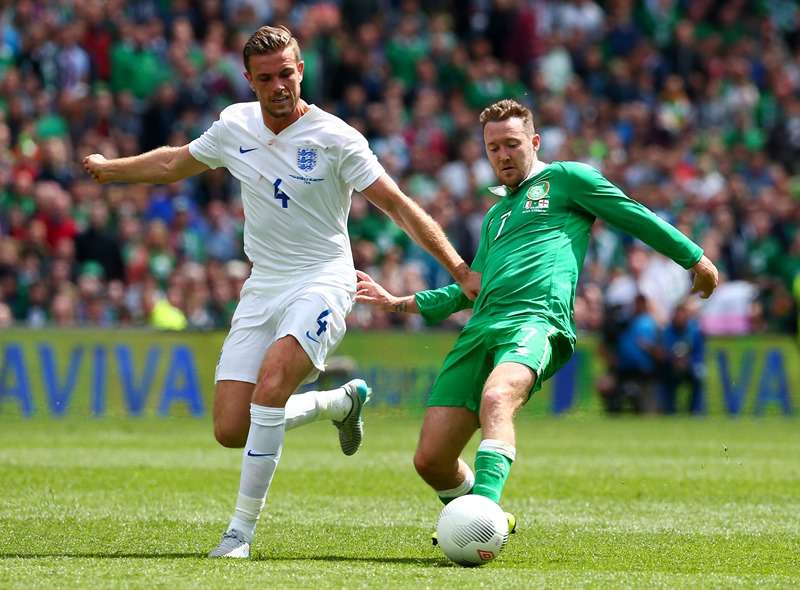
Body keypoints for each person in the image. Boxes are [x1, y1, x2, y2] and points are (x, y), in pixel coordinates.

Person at [83, 25, 479, 559]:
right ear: (249, 80)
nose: (279, 86)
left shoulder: (337, 138)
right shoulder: (233, 126)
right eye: (266, 77)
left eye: (287, 73)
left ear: (301, 71)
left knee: (270, 388)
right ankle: (338, 402)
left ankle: (238, 535)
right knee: (231, 427)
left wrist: (458, 267)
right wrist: (112, 171)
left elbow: (399, 205)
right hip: (263, 284)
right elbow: (176, 162)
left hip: (323, 278)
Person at [355, 99, 718, 537]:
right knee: (431, 461)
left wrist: (695, 258)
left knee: (497, 398)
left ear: (534, 141)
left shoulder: (566, 179)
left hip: (537, 321)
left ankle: (482, 517)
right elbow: (471, 287)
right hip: (480, 329)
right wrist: (400, 302)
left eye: (512, 144)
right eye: (493, 148)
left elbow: (633, 215)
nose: (503, 155)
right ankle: (483, 514)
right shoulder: (494, 217)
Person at [661, 298, 706, 414]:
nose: (679, 318)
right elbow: (665, 351)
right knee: (666, 378)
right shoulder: (667, 332)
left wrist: (688, 362)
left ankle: (696, 410)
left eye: (682, 315)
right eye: (677, 315)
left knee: (699, 375)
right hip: (672, 366)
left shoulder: (695, 332)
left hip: (690, 365)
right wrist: (674, 360)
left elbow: (699, 354)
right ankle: (669, 410)